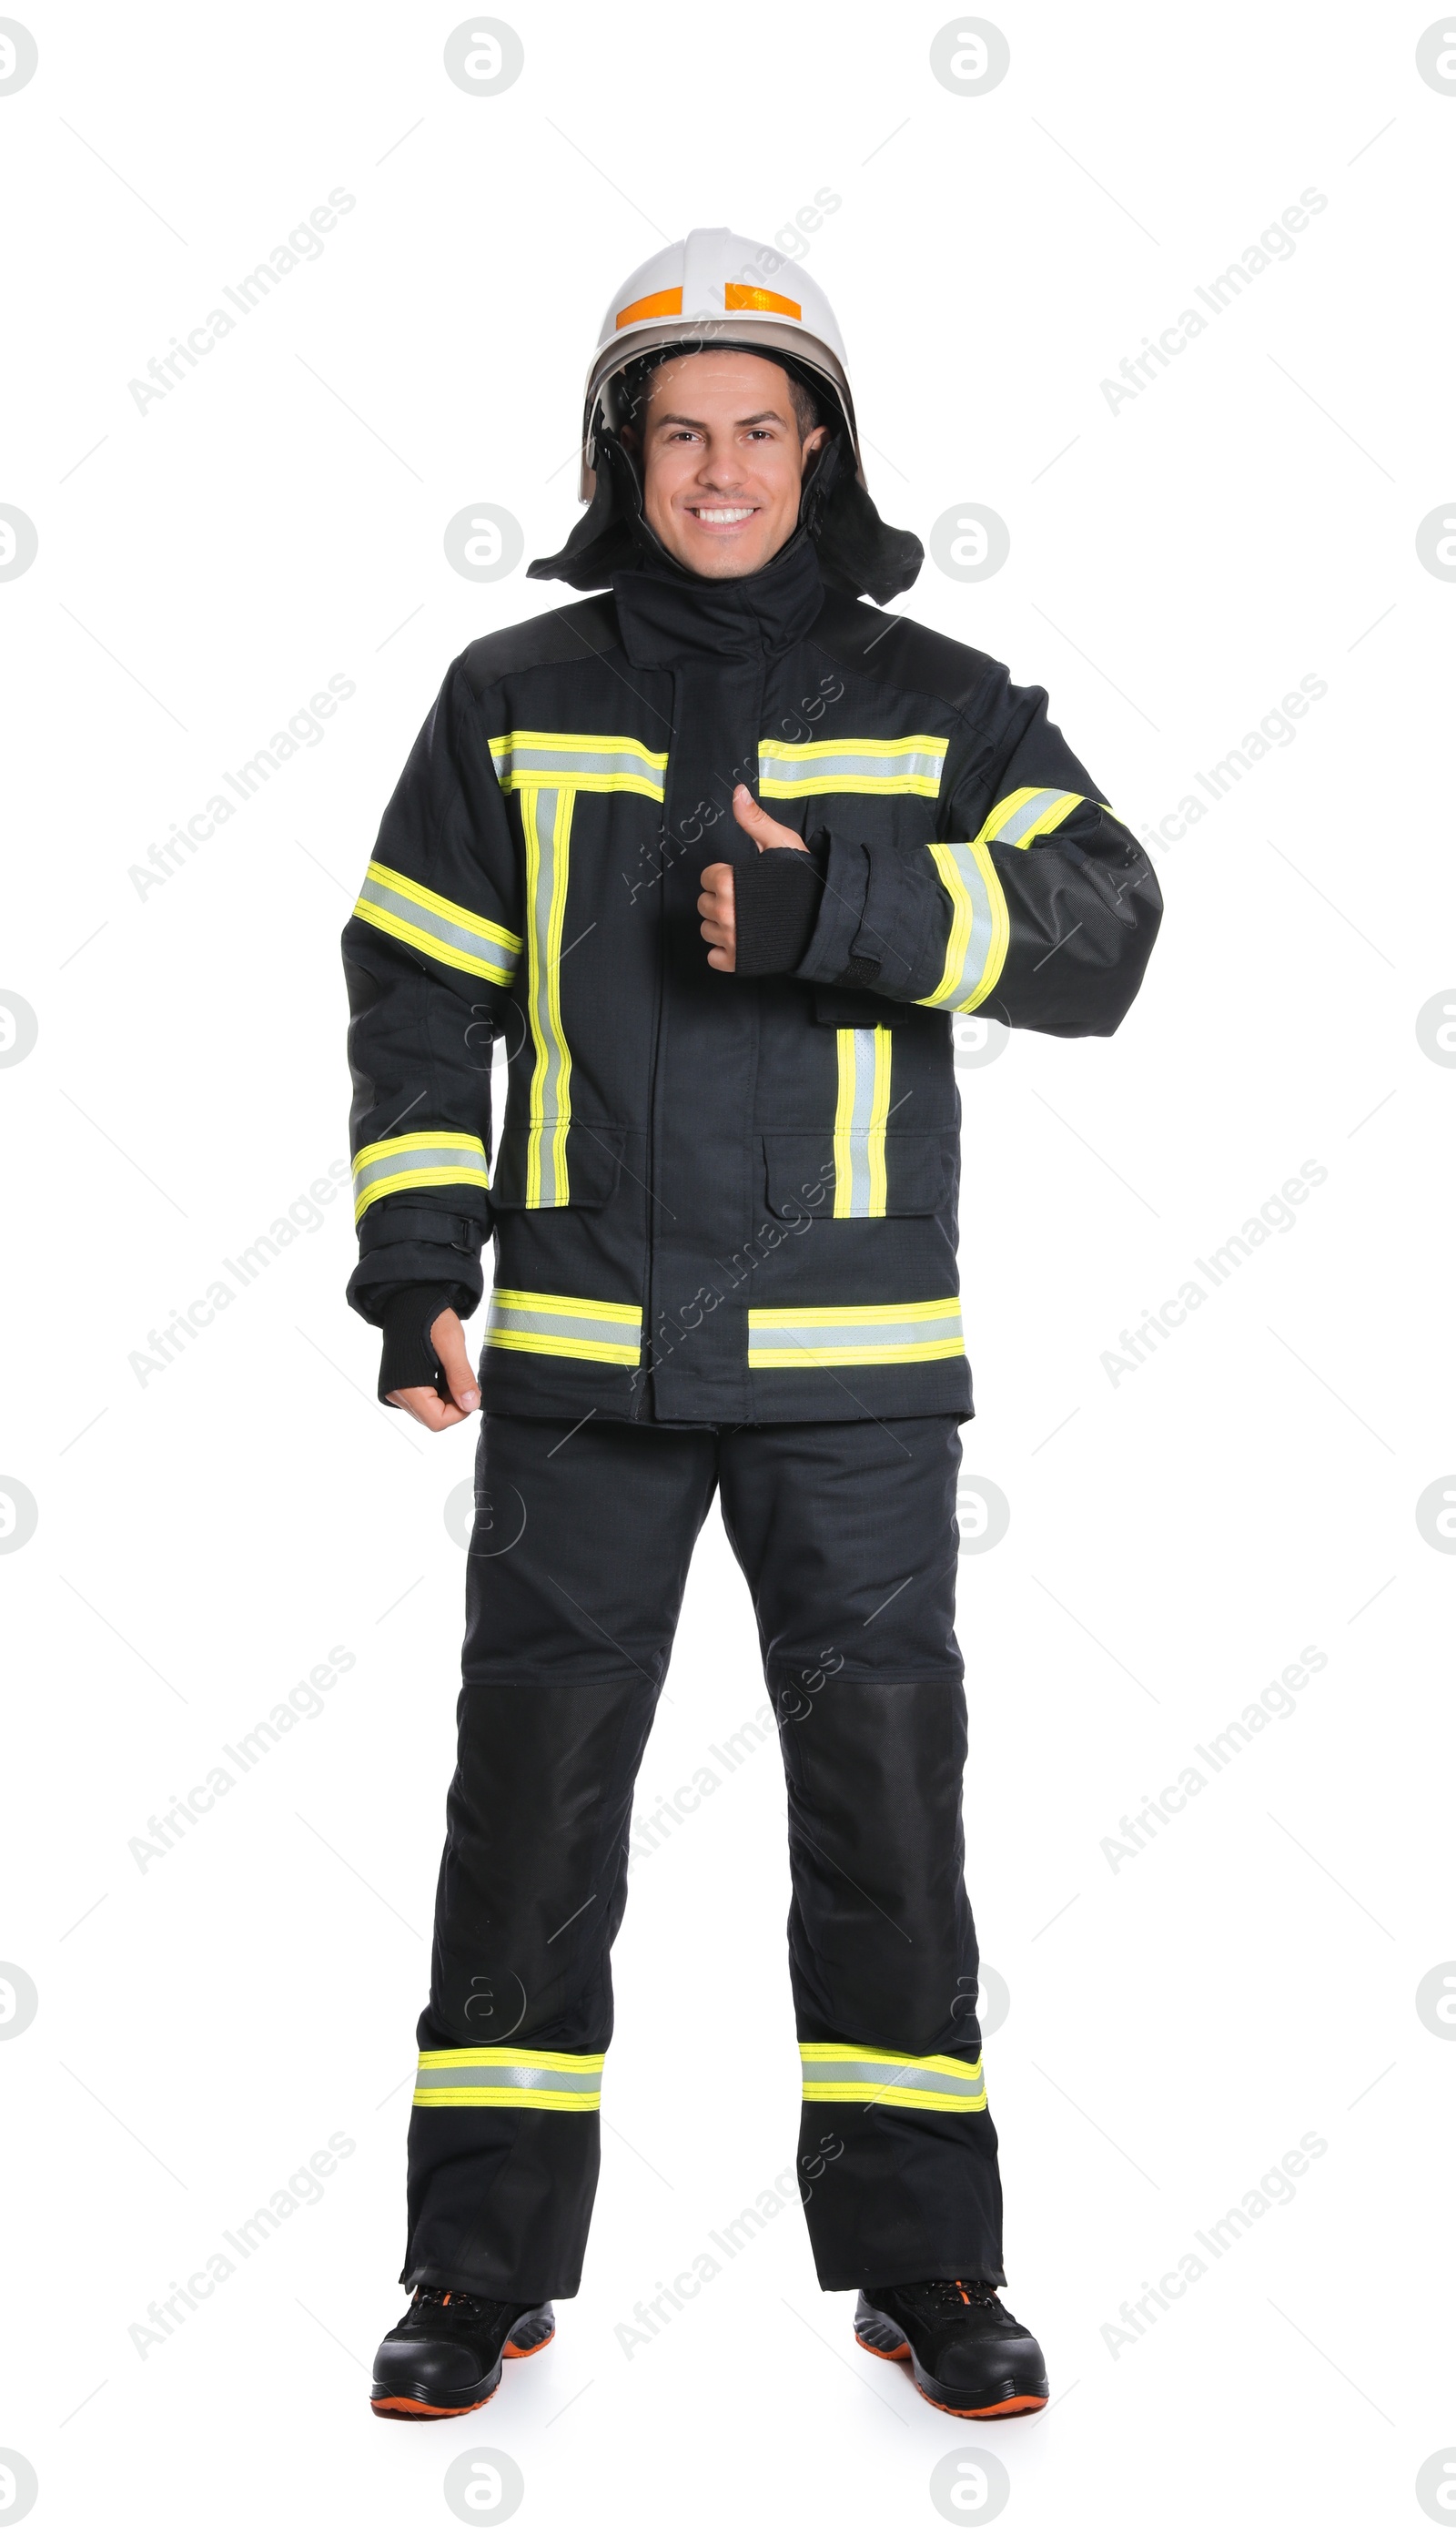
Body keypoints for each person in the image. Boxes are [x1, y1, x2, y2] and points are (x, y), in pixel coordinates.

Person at [344, 228, 1162, 2423]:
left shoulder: (943, 703)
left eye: (758, 427)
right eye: (679, 430)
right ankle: (471, 2267)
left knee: (884, 1819)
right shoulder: (509, 697)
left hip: (853, 1382)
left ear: (823, 445)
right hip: (581, 1375)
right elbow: (419, 991)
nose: (721, 467)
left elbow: (1103, 932)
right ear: (626, 453)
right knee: (525, 1814)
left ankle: (927, 2271)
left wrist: (853, 906)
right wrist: (420, 1265)